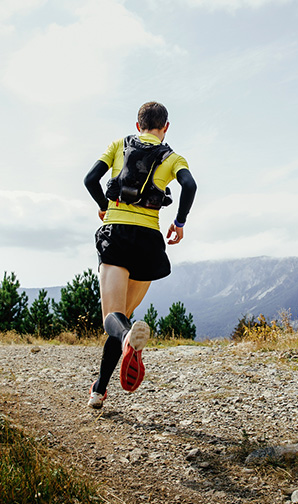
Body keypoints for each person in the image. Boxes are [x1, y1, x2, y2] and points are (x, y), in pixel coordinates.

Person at [83, 101, 197, 409]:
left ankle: (118, 353)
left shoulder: (118, 145)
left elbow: (90, 180)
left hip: (116, 233)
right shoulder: (173, 157)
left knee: (113, 319)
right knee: (123, 321)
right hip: (148, 241)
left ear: (138, 125)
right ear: (166, 128)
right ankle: (99, 390)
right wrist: (180, 221)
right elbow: (189, 184)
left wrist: (103, 206)